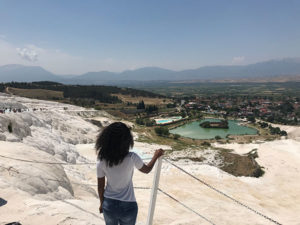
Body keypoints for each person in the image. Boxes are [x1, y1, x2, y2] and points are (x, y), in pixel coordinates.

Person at [96, 122, 164, 225]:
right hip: (128, 205)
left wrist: (102, 203)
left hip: (109, 204)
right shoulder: (132, 157)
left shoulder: (101, 160)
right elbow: (147, 170)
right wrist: (156, 156)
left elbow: (100, 187)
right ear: (127, 141)